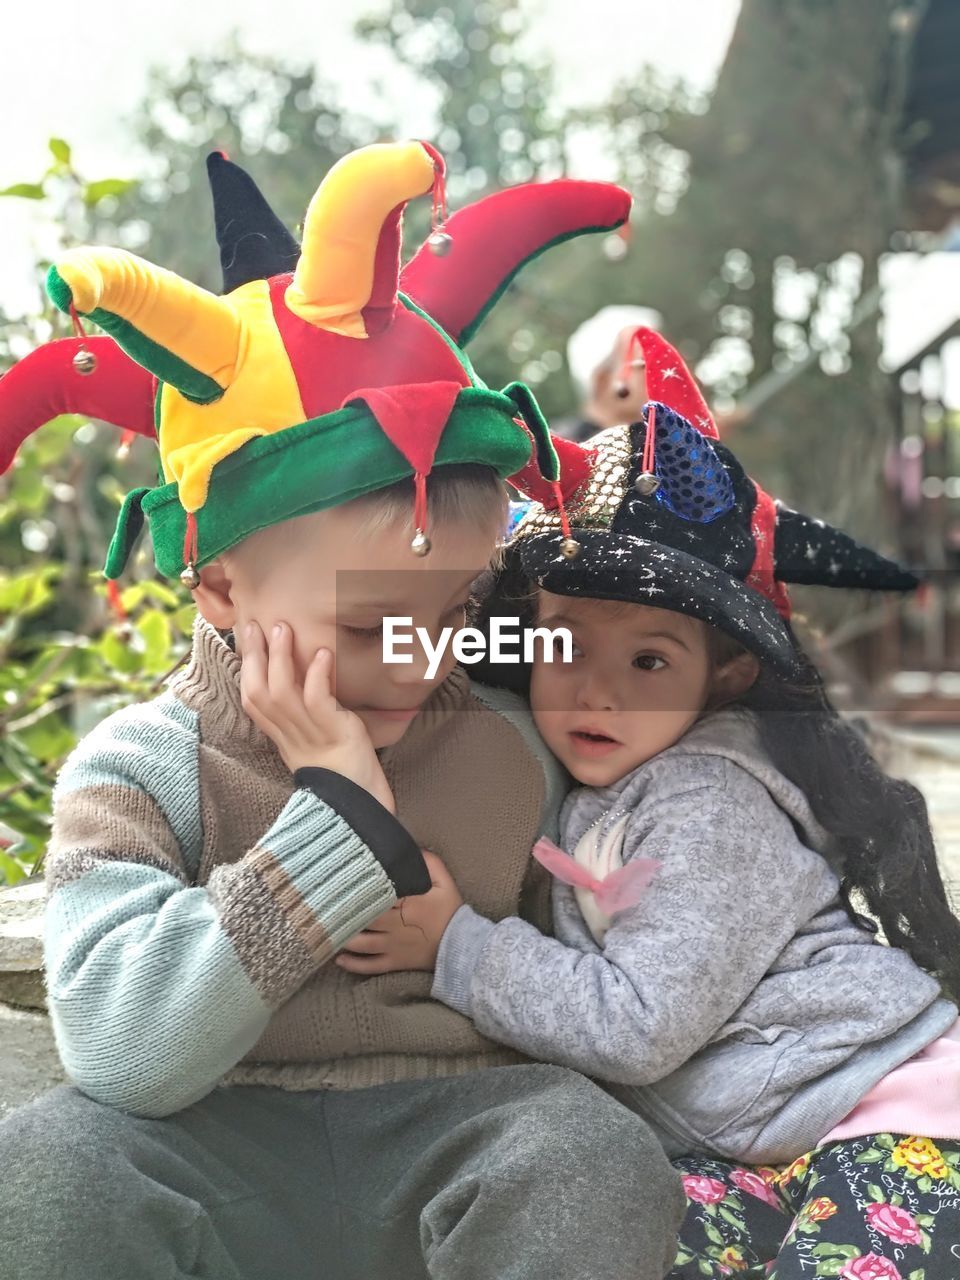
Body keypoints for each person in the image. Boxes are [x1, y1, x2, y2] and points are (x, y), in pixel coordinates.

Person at [0, 146, 685, 1280]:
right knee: (50, 1162)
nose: (421, 660)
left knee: (591, 1154)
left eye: (457, 609)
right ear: (220, 586)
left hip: (464, 1122)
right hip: (215, 1132)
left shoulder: (511, 742)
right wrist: (333, 809)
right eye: (370, 626)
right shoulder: (136, 767)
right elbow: (126, 1052)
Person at [339, 328, 960, 1276]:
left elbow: (638, 1027)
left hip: (893, 1119)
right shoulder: (609, 772)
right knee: (616, 1239)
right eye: (568, 646)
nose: (598, 692)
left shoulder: (709, 797)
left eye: (650, 660)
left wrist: (454, 945)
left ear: (726, 675)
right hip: (768, 1144)